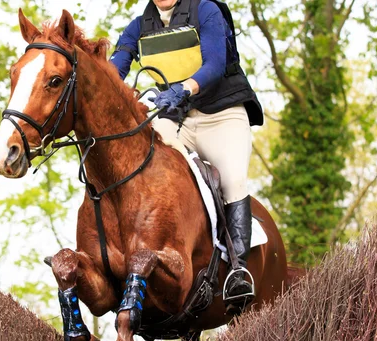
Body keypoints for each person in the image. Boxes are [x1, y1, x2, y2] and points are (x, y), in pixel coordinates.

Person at [109, 0, 263, 311]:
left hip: (221, 113)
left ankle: (237, 270)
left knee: (231, 179)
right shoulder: (138, 26)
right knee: (146, 168)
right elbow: (115, 70)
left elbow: (215, 64)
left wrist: (184, 88)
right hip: (175, 114)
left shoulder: (206, 10)